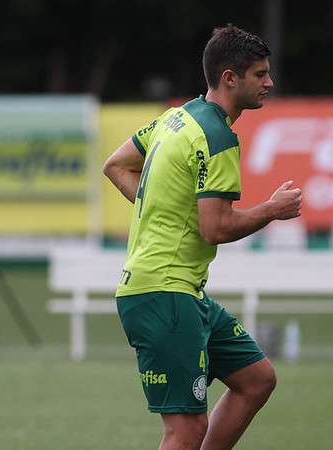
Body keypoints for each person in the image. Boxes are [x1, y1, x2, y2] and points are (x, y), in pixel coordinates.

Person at [103, 25, 301, 450]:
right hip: (164, 292)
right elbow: (217, 227)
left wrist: (162, 205)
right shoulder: (218, 137)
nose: (269, 83)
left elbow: (116, 165)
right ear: (230, 77)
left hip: (178, 290)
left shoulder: (177, 116)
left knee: (256, 378)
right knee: (185, 430)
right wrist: (273, 209)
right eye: (260, 74)